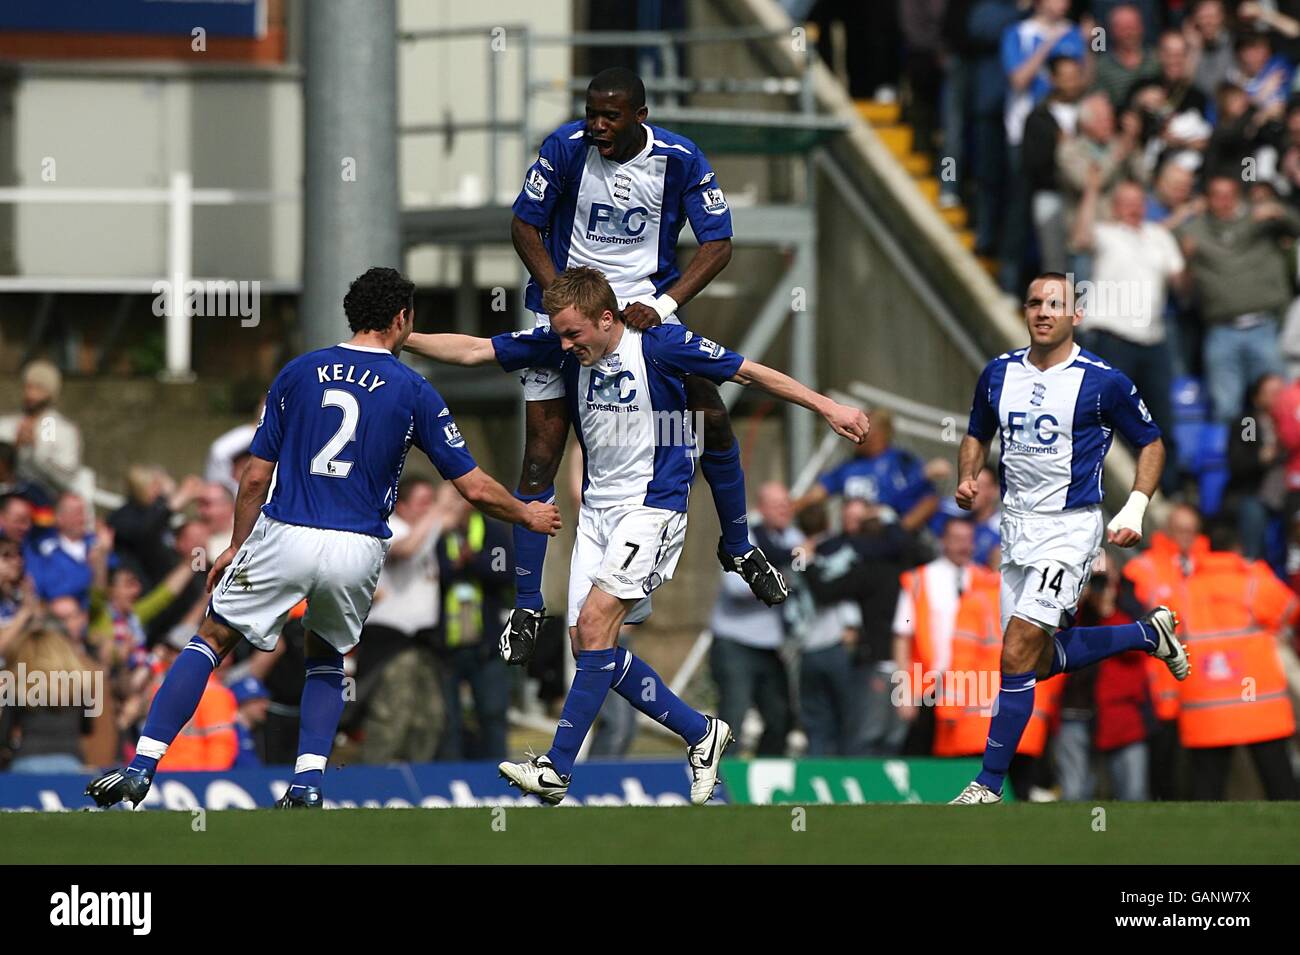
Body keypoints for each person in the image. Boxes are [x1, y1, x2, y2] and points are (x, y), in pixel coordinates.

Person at [85, 266, 561, 809]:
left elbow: (256, 477)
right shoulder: (414, 389)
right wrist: (526, 515)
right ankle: (308, 782)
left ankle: (143, 765)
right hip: (357, 548)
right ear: (402, 319)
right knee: (328, 656)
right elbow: (473, 485)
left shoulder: (299, 372)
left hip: (287, 530)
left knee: (213, 638)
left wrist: (237, 545)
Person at [403, 265, 869, 805]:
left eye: (575, 333)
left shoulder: (662, 345)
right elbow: (475, 350)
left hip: (653, 509)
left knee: (598, 623)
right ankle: (701, 732)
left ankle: (556, 768)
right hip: (598, 514)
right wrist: (398, 338)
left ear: (607, 318)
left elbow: (749, 373)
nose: (567, 344)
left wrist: (828, 407)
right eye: (560, 334)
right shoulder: (561, 345)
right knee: (589, 646)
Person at [502, 66, 788, 665]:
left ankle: (737, 545)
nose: (597, 125)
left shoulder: (680, 158)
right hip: (566, 306)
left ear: (641, 115)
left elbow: (718, 244)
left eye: (611, 116)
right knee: (542, 448)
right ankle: (528, 601)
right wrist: (564, 304)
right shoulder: (565, 148)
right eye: (591, 112)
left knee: (707, 414)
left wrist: (663, 304)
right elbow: (524, 225)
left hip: (640, 312)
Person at [949, 271, 1187, 804]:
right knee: (1030, 662)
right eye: (1034, 302)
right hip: (1016, 528)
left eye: (1054, 304)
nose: (1042, 312)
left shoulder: (1103, 381)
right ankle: (1146, 636)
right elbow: (975, 433)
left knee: (1014, 651)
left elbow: (1150, 443)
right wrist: (966, 476)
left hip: (1070, 529)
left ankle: (987, 786)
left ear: (1075, 315)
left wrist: (1136, 507)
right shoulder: (998, 373)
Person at [708, 482, 802, 756]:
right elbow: (736, 588)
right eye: (777, 505)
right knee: (732, 718)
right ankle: (719, 783)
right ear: (761, 507)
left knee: (781, 717)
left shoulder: (791, 538)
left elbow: (807, 574)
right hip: (735, 643)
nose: (784, 510)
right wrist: (777, 582)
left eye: (787, 504)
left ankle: (763, 783)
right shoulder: (743, 537)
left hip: (772, 646)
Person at [792, 408, 938, 533]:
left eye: (859, 427)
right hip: (854, 542)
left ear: (879, 434)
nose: (851, 433)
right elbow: (819, 492)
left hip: (891, 541)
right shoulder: (849, 466)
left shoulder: (902, 461)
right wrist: (792, 507)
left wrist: (901, 530)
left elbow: (930, 500)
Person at [0, 360, 82, 495]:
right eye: (28, 387)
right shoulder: (7, 425)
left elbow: (65, 478)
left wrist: (34, 450)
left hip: (46, 498)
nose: (30, 394)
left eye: (38, 388)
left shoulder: (58, 428)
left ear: (50, 393)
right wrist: (14, 447)